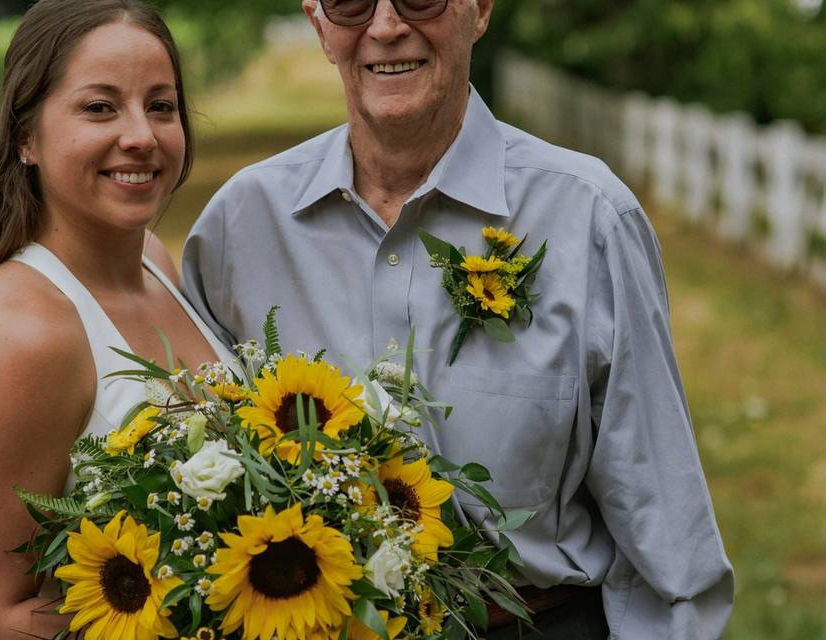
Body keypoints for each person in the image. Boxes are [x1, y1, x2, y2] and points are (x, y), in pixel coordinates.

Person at [181, 0, 734, 638]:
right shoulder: (240, 227)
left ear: (480, 10)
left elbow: (664, 530)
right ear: (317, 20)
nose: (386, 27)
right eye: (353, 3)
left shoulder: (586, 217)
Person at [0, 1, 230, 638]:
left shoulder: (157, 263)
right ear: (26, 136)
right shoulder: (22, 333)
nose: (142, 134)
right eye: (100, 107)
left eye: (160, 105)